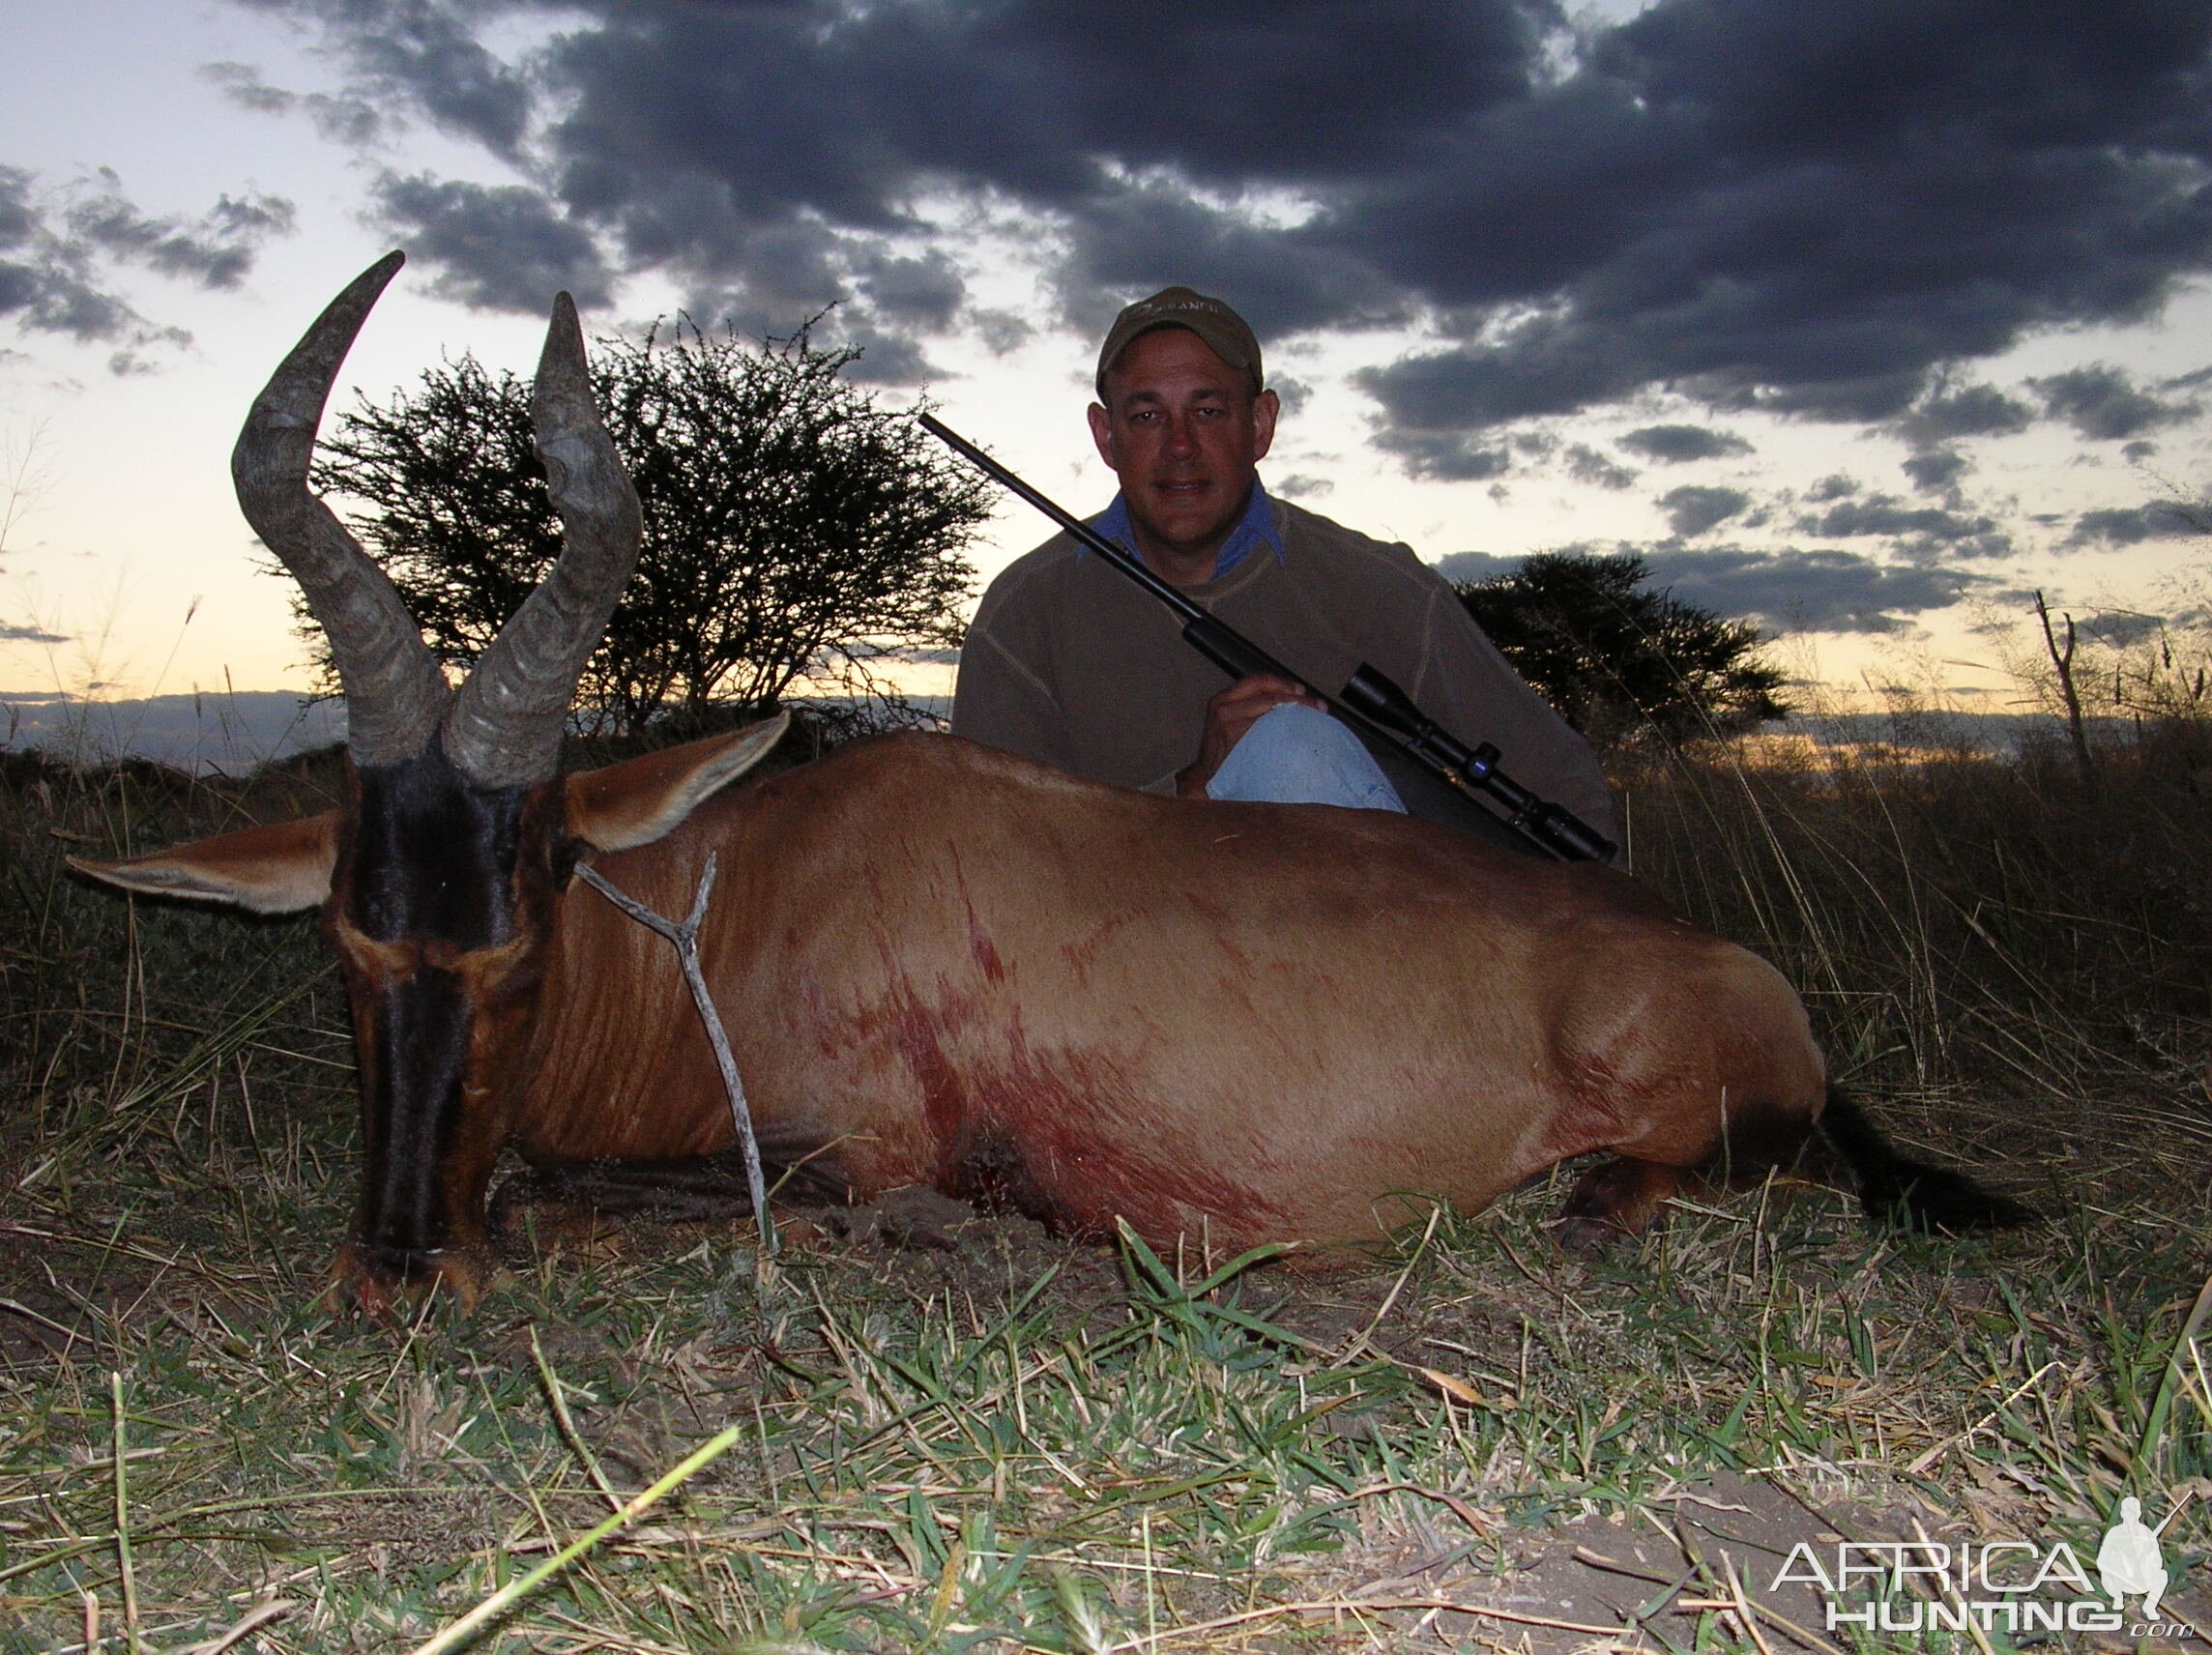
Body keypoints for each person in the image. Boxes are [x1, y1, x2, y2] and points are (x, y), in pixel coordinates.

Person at [951, 284, 1615, 843]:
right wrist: (1191, 788)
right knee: (1292, 751)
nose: (1179, 446)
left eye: (1208, 411)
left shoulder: (1385, 590)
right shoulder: (1022, 617)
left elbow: (1564, 791)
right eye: (1148, 414)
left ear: (1261, 424)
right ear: (1106, 435)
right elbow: (991, 850)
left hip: (1385, 943)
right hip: (1124, 962)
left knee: (1296, 750)